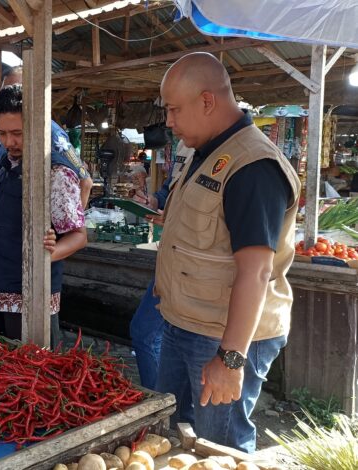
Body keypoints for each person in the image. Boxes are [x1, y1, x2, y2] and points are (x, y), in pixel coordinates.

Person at [154, 53, 300, 453]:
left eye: (173, 110)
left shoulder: (253, 166)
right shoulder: (206, 152)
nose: (169, 122)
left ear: (206, 101)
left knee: (219, 449)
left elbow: (256, 272)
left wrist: (231, 359)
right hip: (183, 323)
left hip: (224, 337)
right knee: (170, 438)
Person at [0, 85, 87, 348]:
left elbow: (79, 236)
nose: (8, 141)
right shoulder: (1, 157)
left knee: (32, 376)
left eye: (17, 133)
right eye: (2, 133)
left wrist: (52, 251)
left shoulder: (56, 169)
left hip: (32, 294)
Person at [130, 142, 194, 390]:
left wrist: (174, 217)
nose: (170, 121)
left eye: (175, 110)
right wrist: (152, 200)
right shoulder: (184, 146)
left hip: (194, 267)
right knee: (152, 335)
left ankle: (160, 407)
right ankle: (166, 407)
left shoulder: (227, 152)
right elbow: (168, 192)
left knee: (146, 334)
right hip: (171, 261)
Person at [0, 67, 92, 208]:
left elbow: (85, 182)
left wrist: (67, 226)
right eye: (5, 94)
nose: (9, 141)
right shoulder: (4, 132)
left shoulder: (52, 134)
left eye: (18, 93)